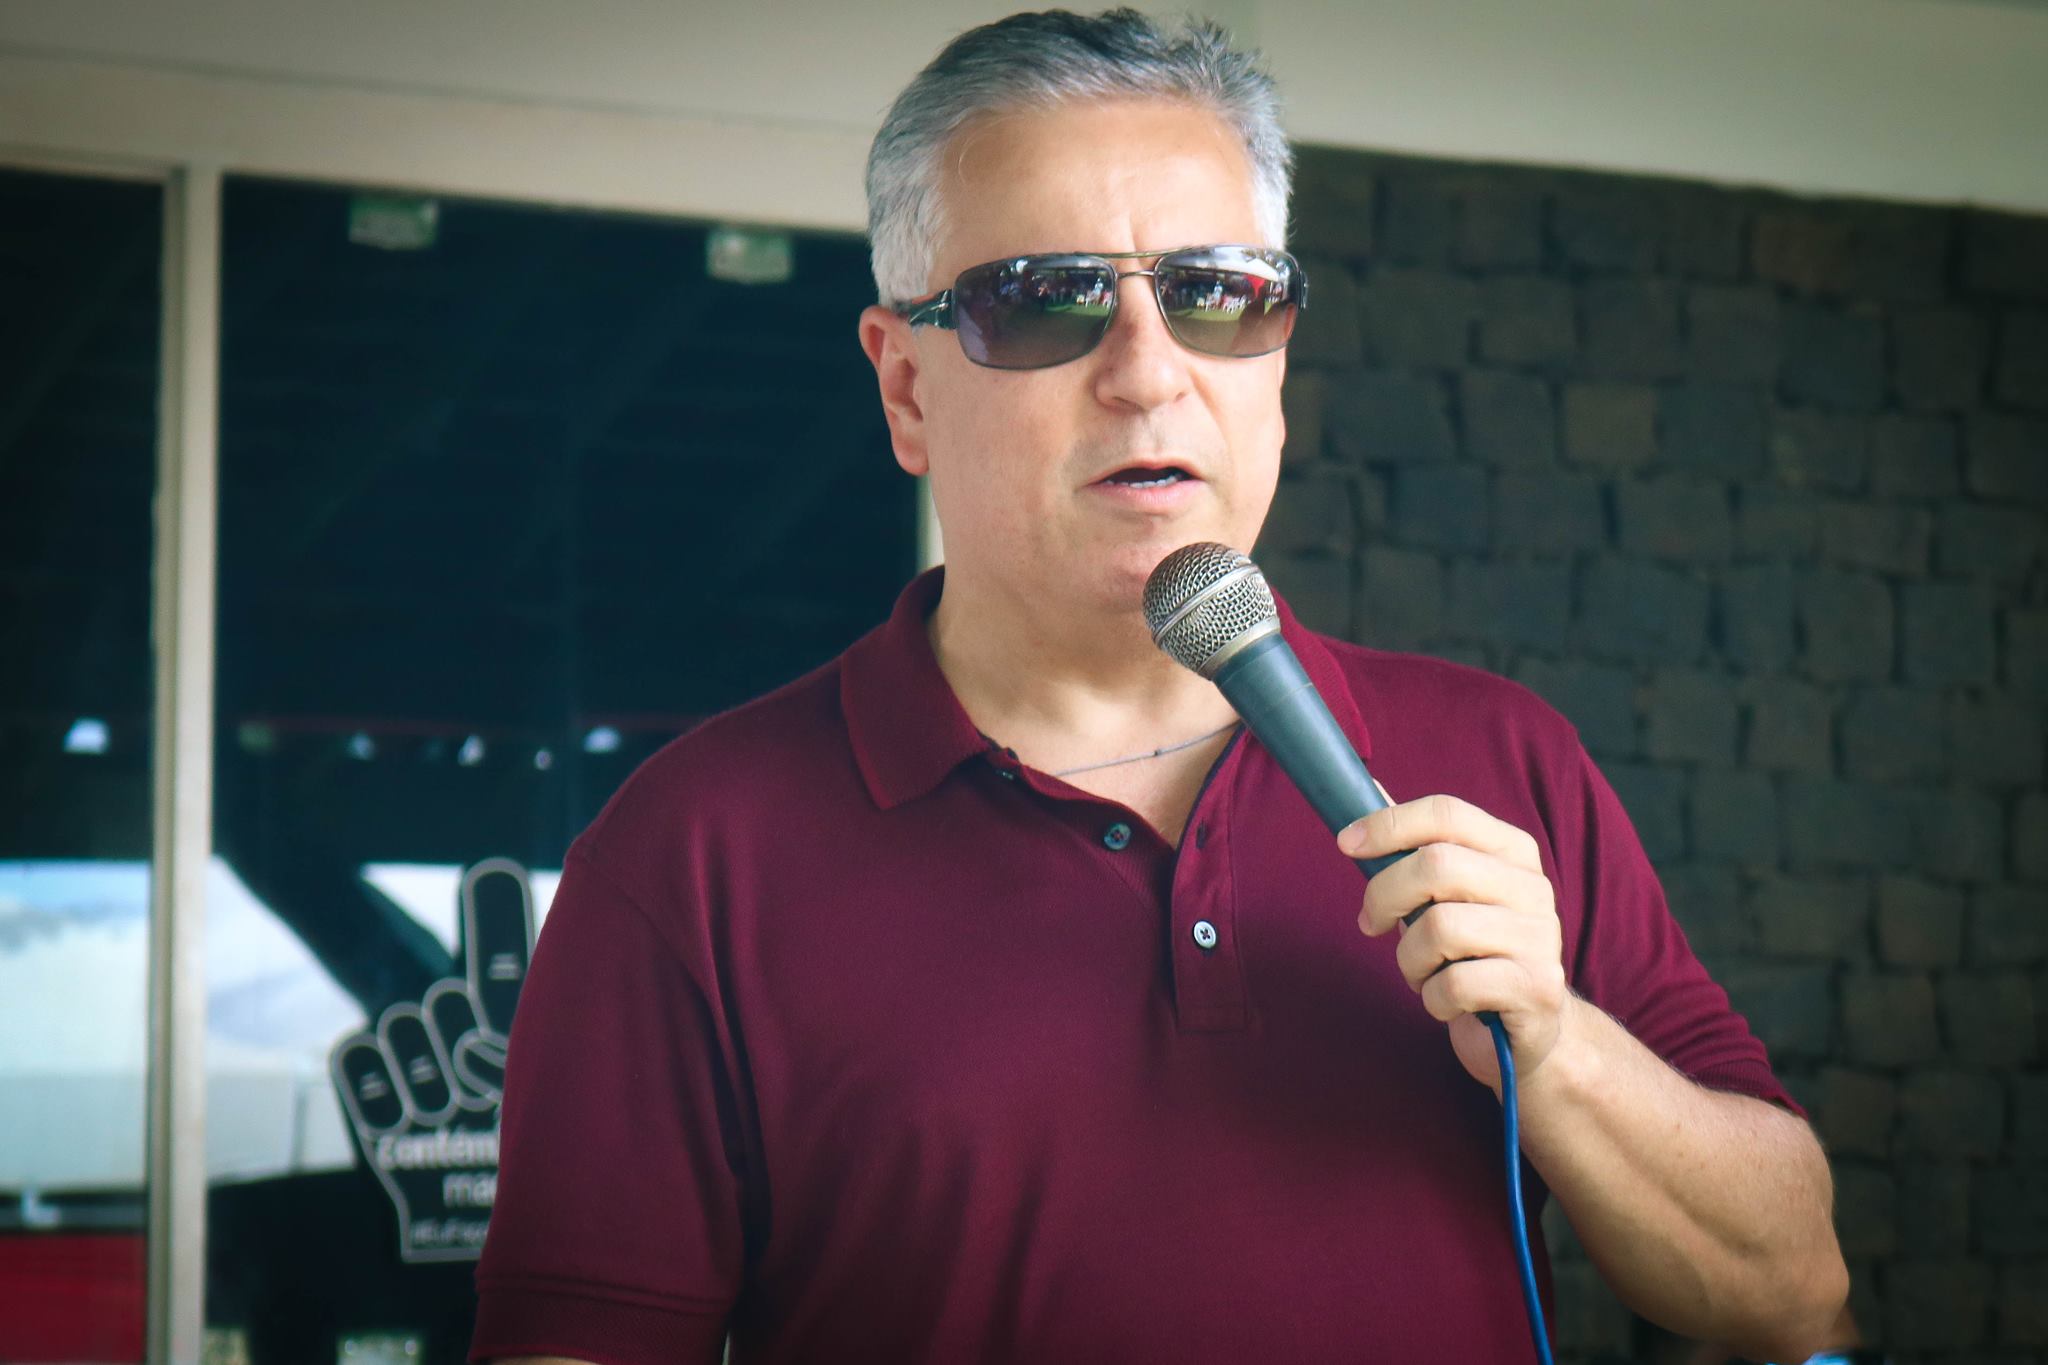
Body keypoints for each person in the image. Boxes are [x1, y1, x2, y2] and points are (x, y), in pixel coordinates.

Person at [470, 11, 1848, 1363]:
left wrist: (1556, 1052)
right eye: (1046, 301)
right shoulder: (691, 853)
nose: (1147, 373)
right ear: (906, 390)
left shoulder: (1501, 760)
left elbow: (1792, 1297)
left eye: (1217, 294)